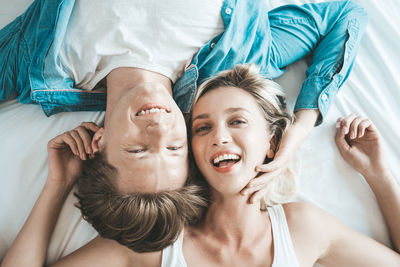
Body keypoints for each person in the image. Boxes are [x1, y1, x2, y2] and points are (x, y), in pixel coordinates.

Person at [1, 0, 368, 253]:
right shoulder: (240, 56)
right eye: (175, 148)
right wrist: (298, 131)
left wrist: (56, 185)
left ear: (99, 141)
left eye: (138, 149)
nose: (160, 130)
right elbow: (344, 13)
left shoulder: (38, 64)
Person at [3, 65, 400, 266]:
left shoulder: (303, 229)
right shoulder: (156, 244)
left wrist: (380, 176)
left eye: (238, 122)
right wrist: (58, 184)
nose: (220, 138)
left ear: (272, 144)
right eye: (202, 127)